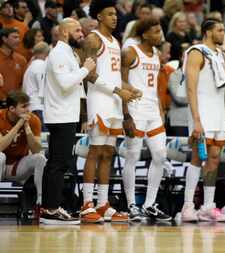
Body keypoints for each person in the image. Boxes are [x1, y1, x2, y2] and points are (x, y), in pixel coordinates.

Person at [79, 0, 141, 224]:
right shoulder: (93, 39)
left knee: (108, 153)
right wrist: (117, 90)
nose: (115, 17)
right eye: (110, 14)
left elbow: (113, 75)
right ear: (99, 17)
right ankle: (87, 204)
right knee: (95, 151)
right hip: (98, 100)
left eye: (116, 14)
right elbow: (88, 74)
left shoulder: (115, 41)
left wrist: (128, 88)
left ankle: (103, 203)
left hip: (114, 101)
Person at [40, 18, 96, 225]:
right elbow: (65, 84)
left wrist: (82, 117)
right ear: (64, 33)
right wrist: (86, 68)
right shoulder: (58, 54)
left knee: (56, 162)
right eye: (78, 30)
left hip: (66, 115)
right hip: (60, 115)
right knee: (59, 164)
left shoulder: (67, 53)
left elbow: (76, 89)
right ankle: (51, 209)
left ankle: (48, 207)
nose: (82, 34)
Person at [180, 19, 225, 222]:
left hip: (218, 113)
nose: (223, 34)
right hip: (200, 111)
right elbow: (191, 88)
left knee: (214, 159)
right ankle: (187, 206)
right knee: (197, 157)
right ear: (208, 32)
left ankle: (208, 206)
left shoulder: (222, 55)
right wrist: (196, 120)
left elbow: (223, 90)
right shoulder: (197, 52)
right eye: (220, 30)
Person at [121, 17, 172, 222]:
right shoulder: (130, 52)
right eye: (156, 31)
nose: (160, 35)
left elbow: (156, 87)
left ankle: (150, 204)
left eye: (160, 31)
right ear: (144, 34)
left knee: (160, 155)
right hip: (135, 109)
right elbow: (120, 81)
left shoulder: (157, 55)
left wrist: (160, 108)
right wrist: (126, 115)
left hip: (152, 111)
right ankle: (132, 204)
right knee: (132, 156)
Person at [0, 91, 45, 206]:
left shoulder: (33, 120)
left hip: (18, 166)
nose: (28, 110)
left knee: (40, 158)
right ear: (11, 109)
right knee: (1, 156)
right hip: (1, 164)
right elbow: (0, 146)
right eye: (24, 106)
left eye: (28, 105)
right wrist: (18, 125)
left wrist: (27, 127)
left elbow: (36, 150)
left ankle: (40, 201)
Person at [22, 41, 50, 128]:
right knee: (43, 138)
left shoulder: (31, 66)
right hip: (38, 107)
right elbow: (43, 87)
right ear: (46, 53)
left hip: (32, 106)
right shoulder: (40, 65)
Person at [0, 28, 27, 106]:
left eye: (18, 37)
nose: (18, 40)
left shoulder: (21, 60)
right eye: (15, 37)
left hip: (15, 104)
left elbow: (23, 84)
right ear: (4, 39)